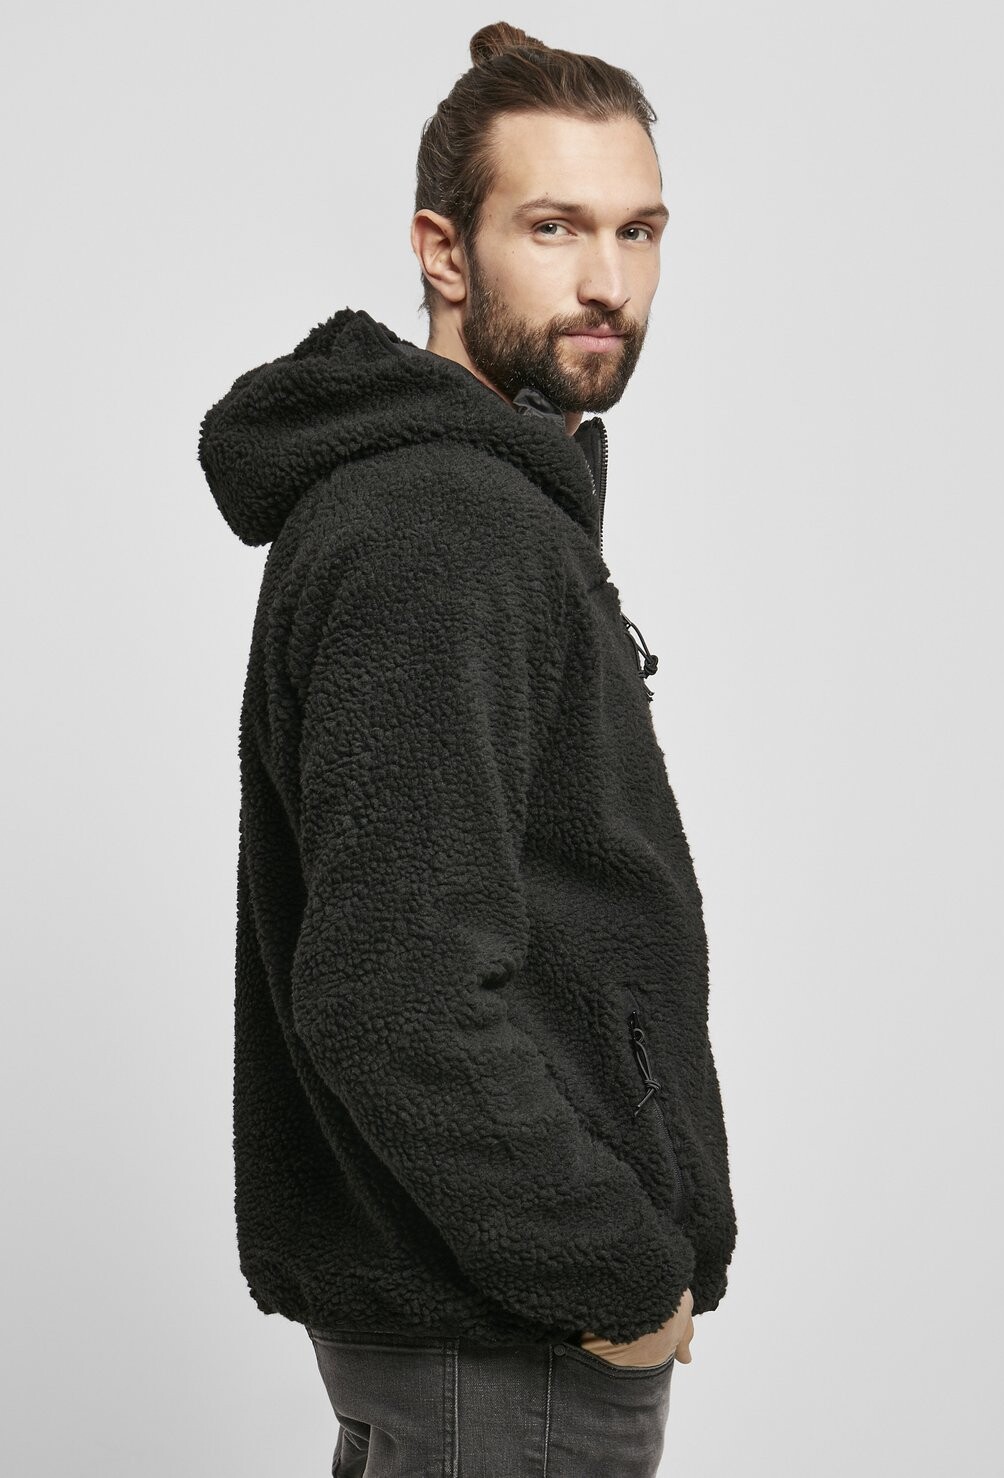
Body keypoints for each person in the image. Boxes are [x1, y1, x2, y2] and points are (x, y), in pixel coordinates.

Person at [197, 20, 737, 1477]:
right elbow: (394, 990)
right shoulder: (444, 528)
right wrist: (618, 1273)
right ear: (444, 252)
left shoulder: (465, 504)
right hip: (508, 1346)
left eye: (638, 231)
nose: (607, 280)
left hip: (470, 1335)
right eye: (553, 228)